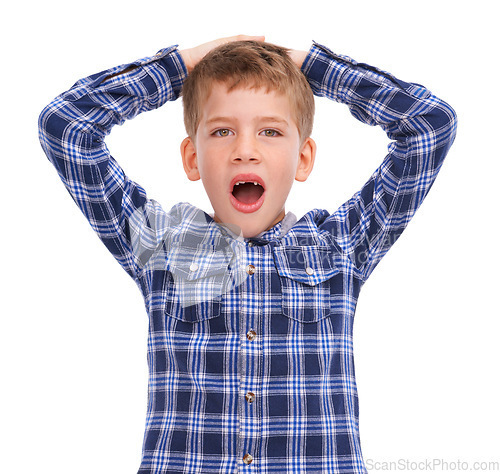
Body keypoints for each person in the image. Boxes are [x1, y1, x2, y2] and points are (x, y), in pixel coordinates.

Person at [38, 35, 457, 473]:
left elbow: (430, 125)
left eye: (271, 131)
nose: (245, 150)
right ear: (192, 157)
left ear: (303, 158)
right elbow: (67, 127)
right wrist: (181, 67)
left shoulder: (342, 246)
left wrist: (310, 67)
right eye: (222, 131)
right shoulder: (160, 246)